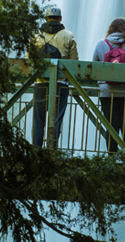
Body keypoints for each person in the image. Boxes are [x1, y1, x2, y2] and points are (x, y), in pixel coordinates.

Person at [92, 18, 125, 153]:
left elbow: (93, 68)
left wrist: (101, 83)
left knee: (111, 127)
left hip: (107, 93)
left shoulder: (100, 45)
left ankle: (112, 163)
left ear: (110, 29)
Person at [29, 6, 79, 148]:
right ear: (60, 19)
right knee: (56, 120)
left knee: (38, 120)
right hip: (60, 84)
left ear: (46, 18)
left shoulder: (36, 36)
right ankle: (52, 151)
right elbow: (74, 63)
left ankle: (36, 151)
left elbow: (29, 61)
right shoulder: (68, 36)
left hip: (40, 83)